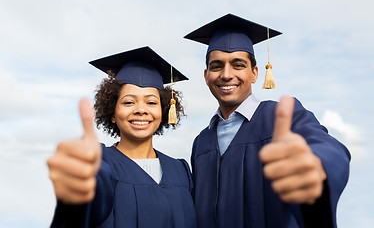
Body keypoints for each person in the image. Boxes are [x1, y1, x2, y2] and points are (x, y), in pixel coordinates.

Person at [184, 14, 350, 228]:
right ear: (206, 76)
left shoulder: (281, 117)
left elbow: (329, 148)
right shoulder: (201, 142)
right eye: (217, 66)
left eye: (237, 65)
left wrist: (316, 165)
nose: (226, 75)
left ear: (254, 73)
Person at [47, 46, 197, 228]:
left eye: (151, 102)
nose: (141, 110)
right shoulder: (99, 164)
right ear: (112, 111)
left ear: (164, 110)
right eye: (128, 102)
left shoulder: (180, 171)